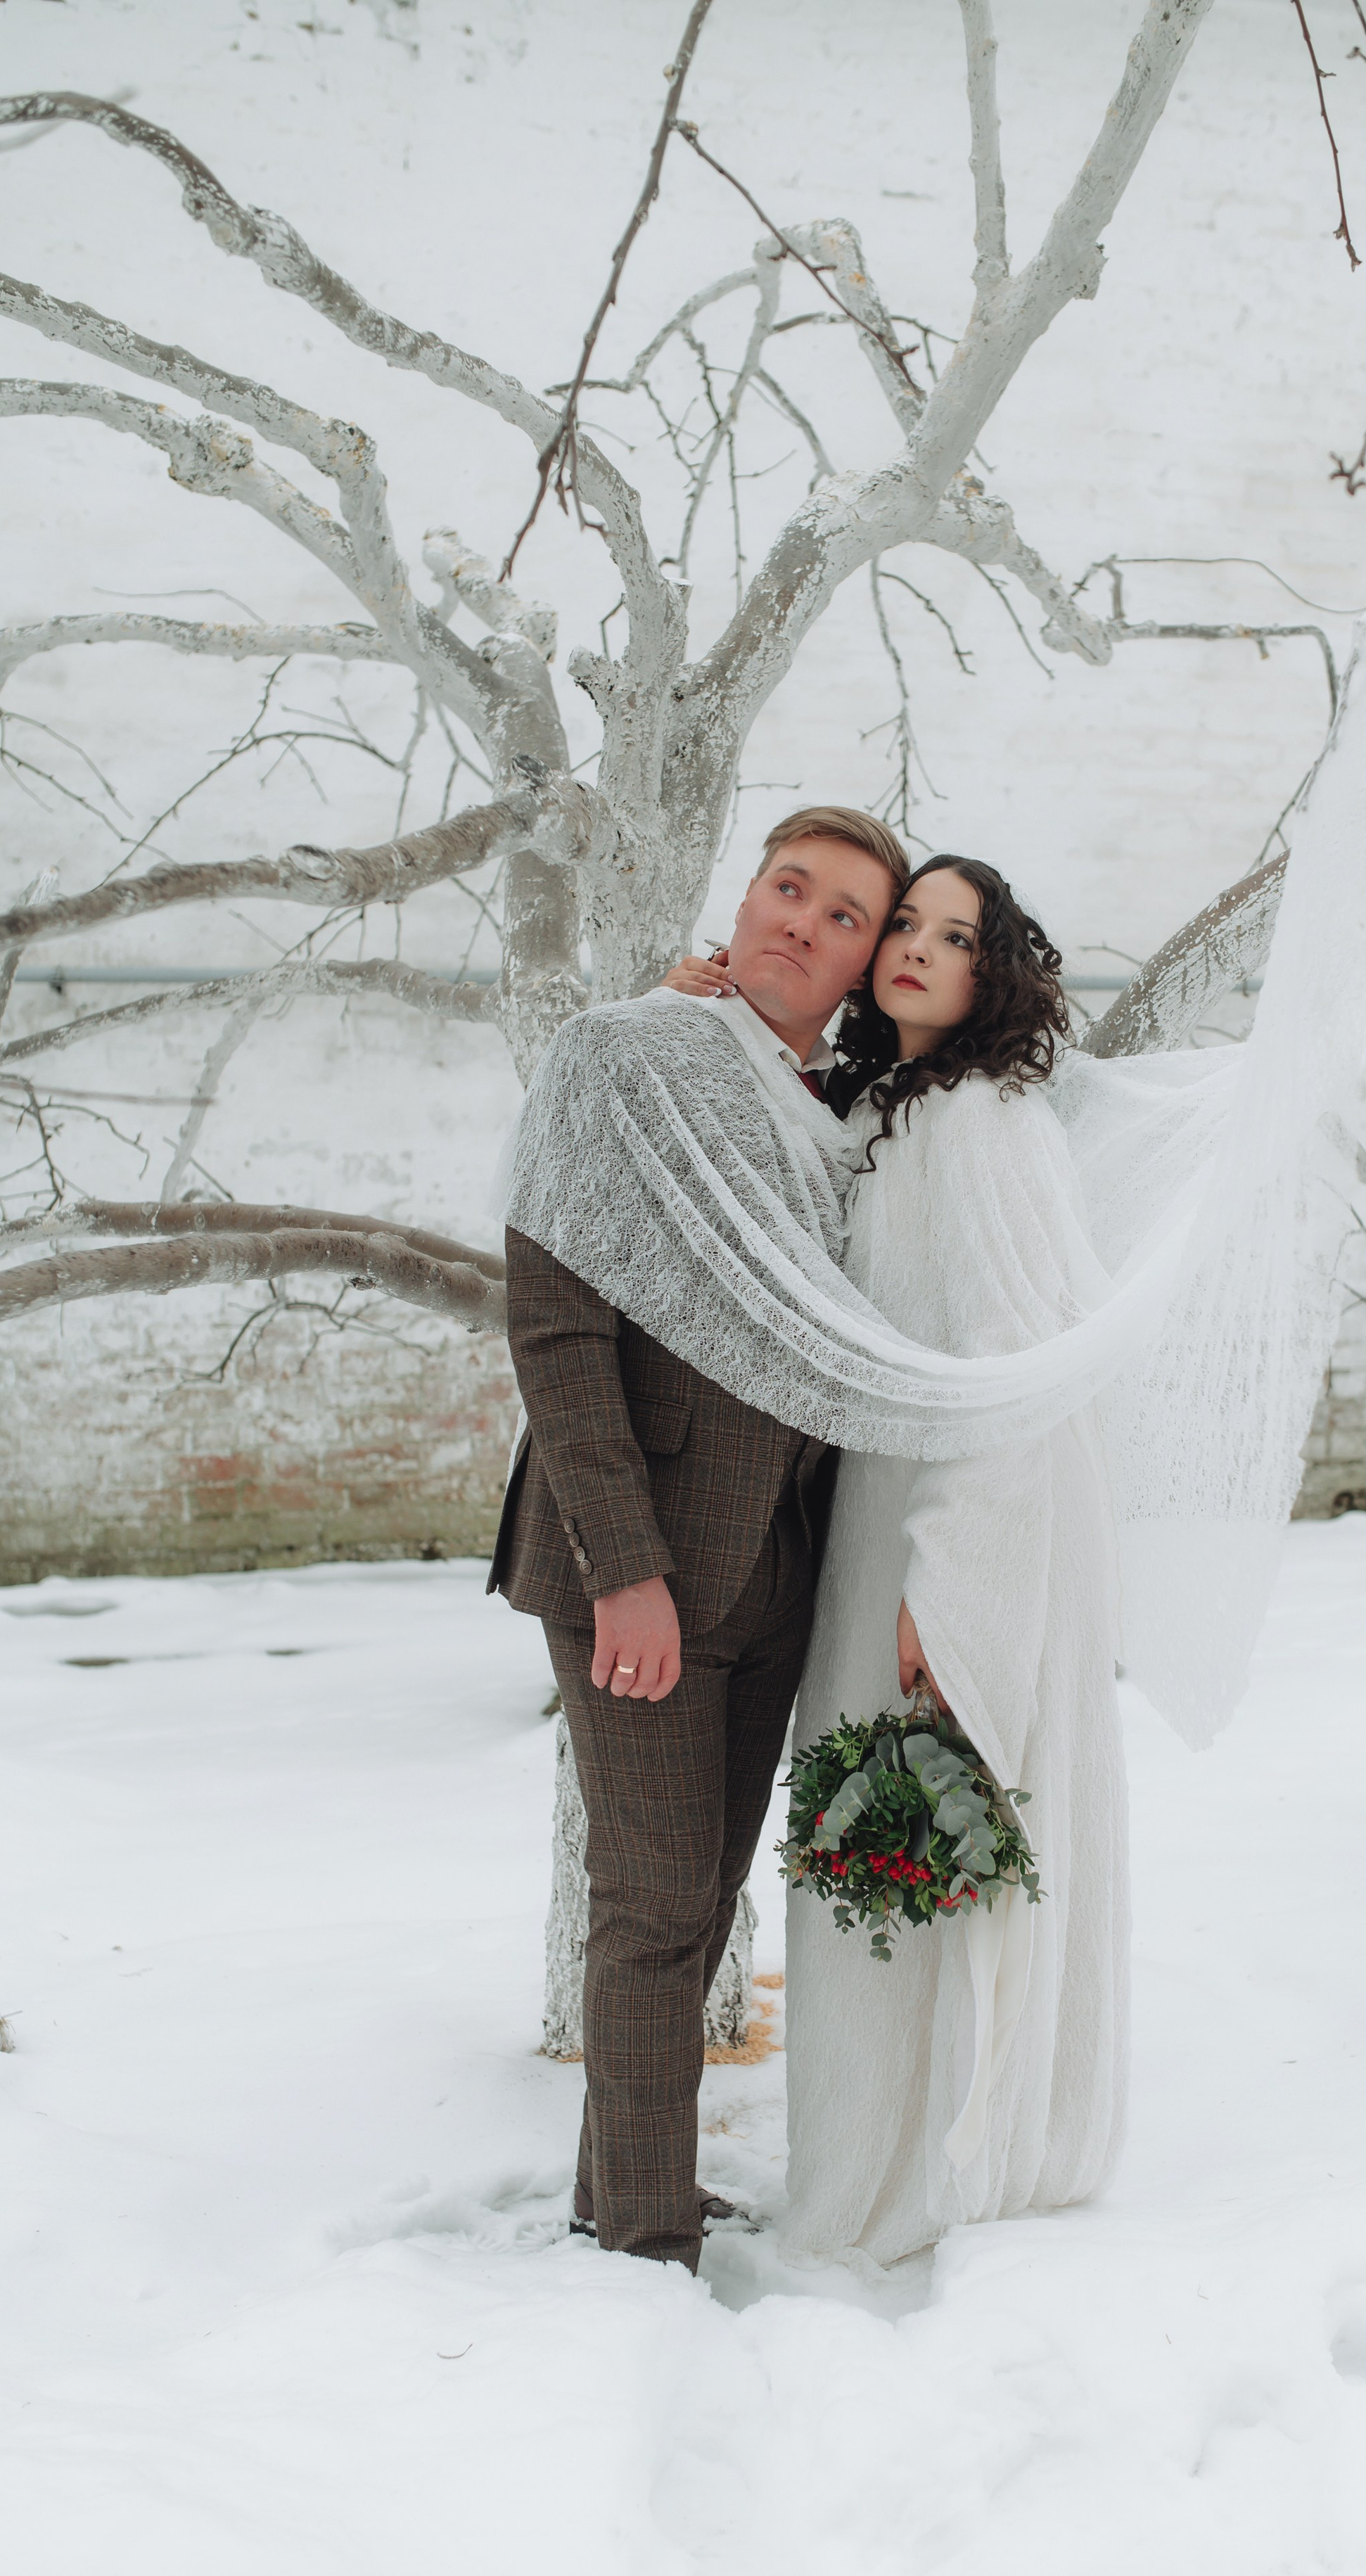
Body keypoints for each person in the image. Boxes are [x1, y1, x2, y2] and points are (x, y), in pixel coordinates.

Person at [665, 857, 1128, 2266]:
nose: (918, 949)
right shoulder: (884, 1110)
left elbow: (1006, 1370)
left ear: (998, 973)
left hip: (939, 1538)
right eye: (904, 927)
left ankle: (913, 2174)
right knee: (861, 1863)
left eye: (955, 935)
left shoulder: (979, 1123)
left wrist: (947, 1585)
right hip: (871, 1529)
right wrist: (704, 1016)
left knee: (901, 1860)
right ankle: (866, 2157)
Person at [487, 804, 907, 2274]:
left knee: (702, 1897)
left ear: (864, 958)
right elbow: (554, 1326)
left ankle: (627, 2185)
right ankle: (643, 2243)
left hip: (781, 1561)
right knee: (654, 1905)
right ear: (747, 894)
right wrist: (626, 1569)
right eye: (788, 887)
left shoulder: (837, 1113)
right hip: (644, 1565)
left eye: (844, 912)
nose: (802, 920)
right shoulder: (622, 1053)